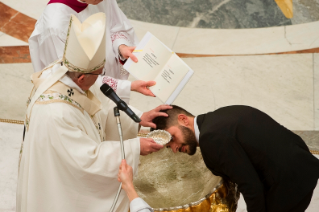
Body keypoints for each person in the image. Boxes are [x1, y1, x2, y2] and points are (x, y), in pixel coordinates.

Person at [17, 13, 170, 212]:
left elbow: (103, 103)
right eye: (99, 73)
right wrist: (134, 147)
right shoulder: (55, 114)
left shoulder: (66, 71)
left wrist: (138, 119)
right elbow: (86, 161)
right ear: (81, 78)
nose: (101, 77)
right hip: (59, 184)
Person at [152, 105, 319, 212]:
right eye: (169, 146)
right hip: (301, 163)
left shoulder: (210, 138)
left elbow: (251, 186)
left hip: (289, 185)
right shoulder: (218, 116)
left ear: (182, 119)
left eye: (172, 138)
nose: (174, 148)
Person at [29, 0, 154, 104]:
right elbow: (71, 79)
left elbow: (116, 26)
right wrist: (127, 86)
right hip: (78, 102)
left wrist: (121, 46)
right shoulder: (55, 25)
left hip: (106, 85)